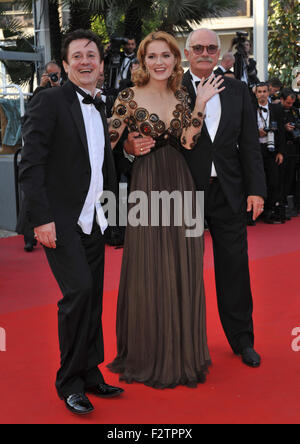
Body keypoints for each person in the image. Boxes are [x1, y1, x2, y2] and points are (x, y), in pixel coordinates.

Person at [107, 31, 224, 389]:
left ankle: (182, 352)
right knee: (148, 263)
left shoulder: (183, 95)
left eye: (166, 56)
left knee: (183, 262)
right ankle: (148, 352)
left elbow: (188, 141)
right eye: (152, 56)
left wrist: (201, 102)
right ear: (142, 62)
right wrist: (128, 146)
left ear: (176, 60)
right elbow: (105, 146)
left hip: (181, 182)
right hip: (146, 184)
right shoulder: (127, 97)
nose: (159, 62)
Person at [18, 29, 123, 415]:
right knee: (78, 292)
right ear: (65, 64)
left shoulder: (100, 103)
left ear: (100, 62)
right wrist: (40, 218)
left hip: (93, 217)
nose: (84, 61)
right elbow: (31, 164)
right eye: (76, 56)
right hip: (59, 219)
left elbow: (97, 163)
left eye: (90, 55)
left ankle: (90, 370)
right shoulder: (49, 101)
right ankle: (69, 382)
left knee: (92, 296)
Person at [179, 29, 267, 367]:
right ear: (187, 52)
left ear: (219, 53)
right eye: (198, 47)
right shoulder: (173, 89)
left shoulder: (237, 90)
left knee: (234, 267)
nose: (204, 52)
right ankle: (186, 342)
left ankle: (242, 339)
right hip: (185, 192)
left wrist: (257, 189)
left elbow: (249, 146)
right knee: (185, 270)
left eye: (211, 48)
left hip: (229, 191)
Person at [16, 61, 63, 252]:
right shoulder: (39, 94)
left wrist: (57, 88)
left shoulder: (66, 92)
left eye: (56, 74)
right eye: (49, 74)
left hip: (57, 154)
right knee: (32, 196)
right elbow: (28, 116)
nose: (53, 77)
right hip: (39, 153)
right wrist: (42, 88)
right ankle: (29, 238)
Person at [254, 82, 286, 223]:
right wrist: (257, 133)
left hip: (272, 150)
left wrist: (281, 152)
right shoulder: (250, 109)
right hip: (255, 151)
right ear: (256, 94)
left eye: (264, 91)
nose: (262, 94)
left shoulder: (276, 109)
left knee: (273, 181)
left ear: (269, 93)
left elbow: (282, 132)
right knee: (258, 181)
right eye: (259, 91)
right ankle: (256, 212)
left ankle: (270, 211)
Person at [280, 88, 300, 215]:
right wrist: (284, 127)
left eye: (292, 103)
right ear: (281, 99)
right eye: (287, 102)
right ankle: (282, 205)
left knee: (294, 179)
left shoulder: (295, 111)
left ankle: (295, 205)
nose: (290, 105)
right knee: (284, 179)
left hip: (296, 148)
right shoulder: (276, 110)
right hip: (284, 149)